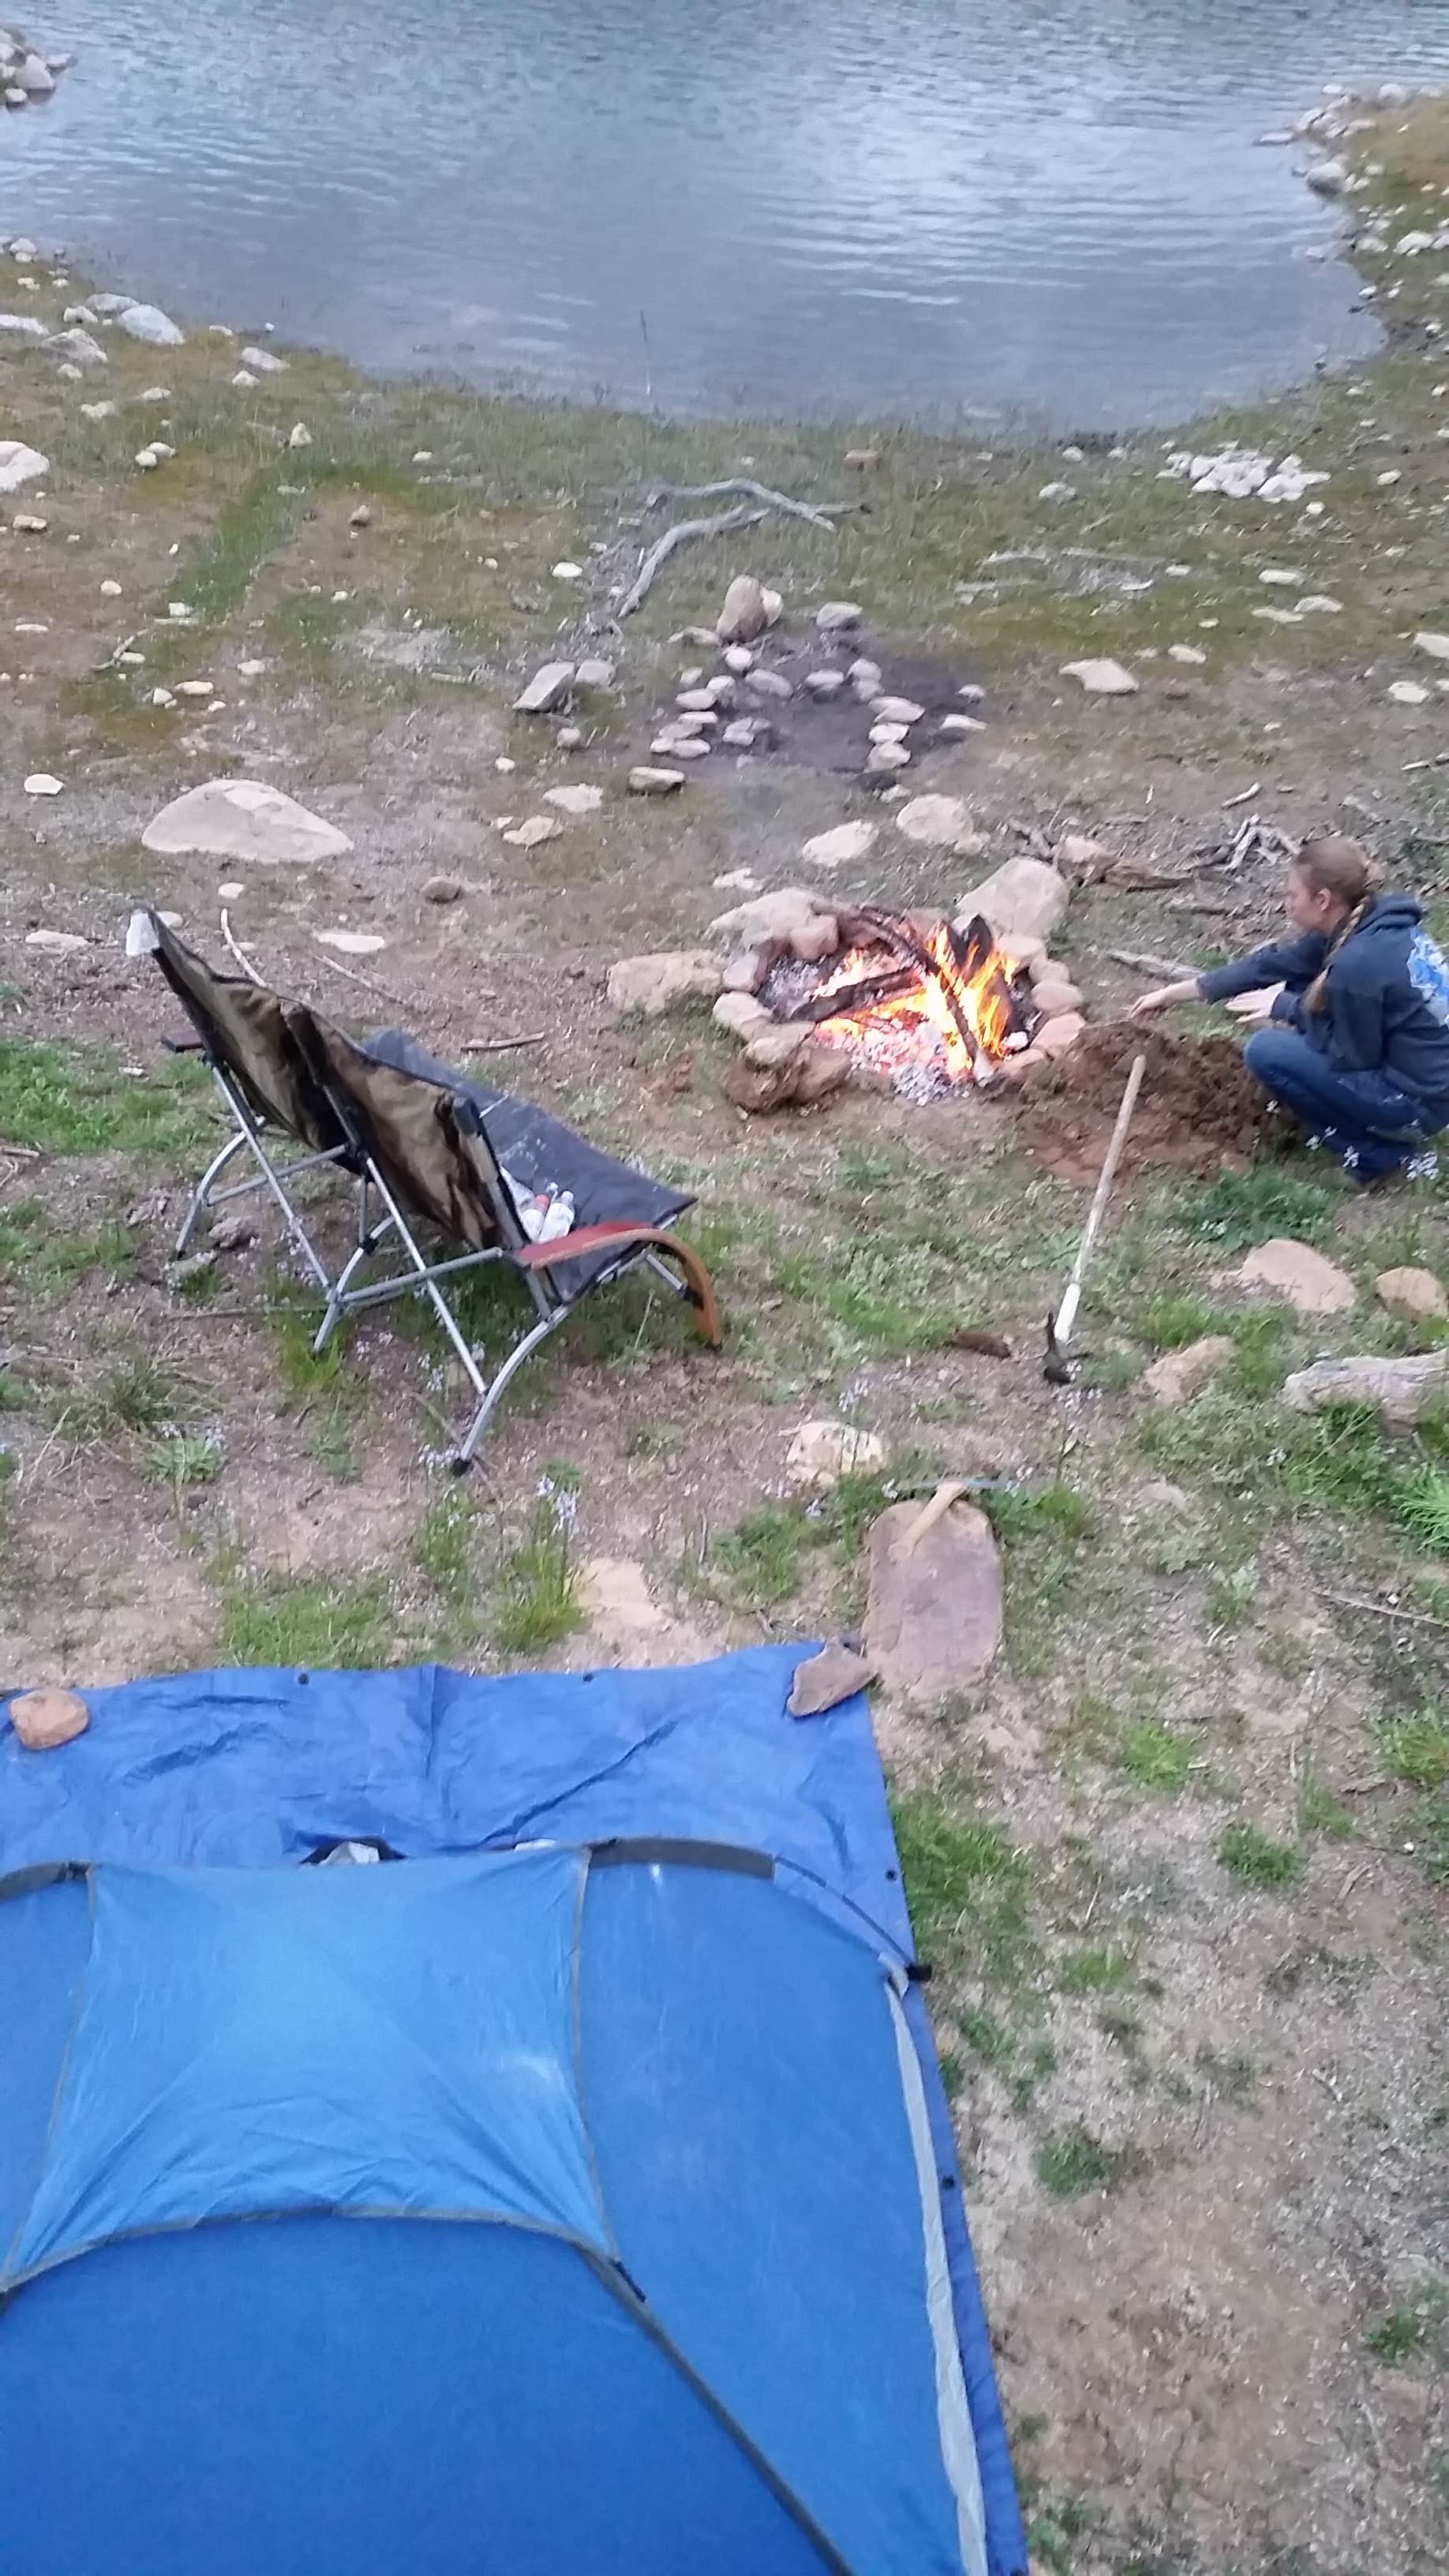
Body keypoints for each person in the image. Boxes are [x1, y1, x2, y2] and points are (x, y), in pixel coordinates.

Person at [1132, 835, 1449, 1181]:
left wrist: (1288, 1008)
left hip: (1418, 1105)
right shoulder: (1371, 922)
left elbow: (1354, 1059)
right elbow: (1269, 966)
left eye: (1292, 895)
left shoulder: (1358, 965)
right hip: (1425, 1078)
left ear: (1323, 899)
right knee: (1300, 989)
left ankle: (1383, 1156)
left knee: (1266, 1051)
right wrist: (1174, 994)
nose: (1287, 904)